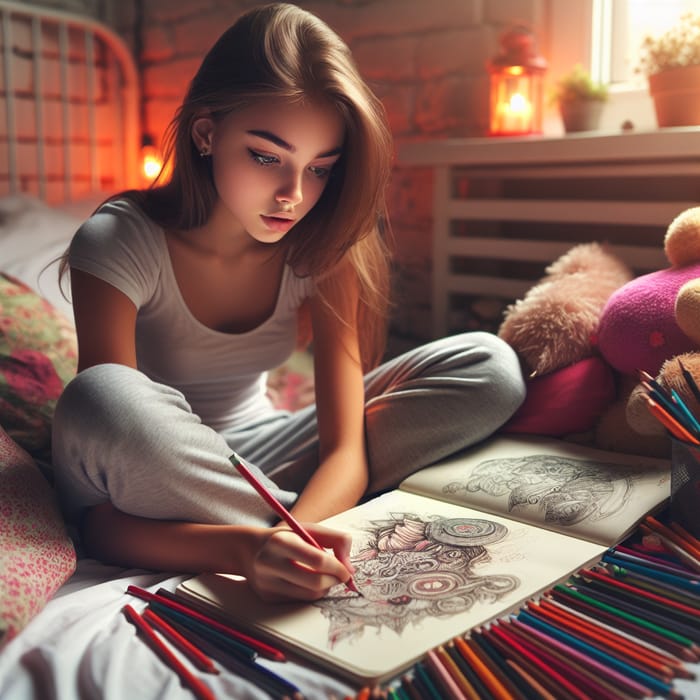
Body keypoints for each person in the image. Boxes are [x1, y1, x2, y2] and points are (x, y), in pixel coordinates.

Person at [52, 2, 526, 604]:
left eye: (321, 169)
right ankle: (313, 516)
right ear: (205, 133)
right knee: (104, 395)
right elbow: (98, 515)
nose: (293, 196)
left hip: (260, 454)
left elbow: (344, 450)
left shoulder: (320, 246)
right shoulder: (119, 240)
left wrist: (286, 536)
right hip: (143, 470)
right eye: (265, 156)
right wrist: (245, 551)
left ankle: (287, 517)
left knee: (488, 364)